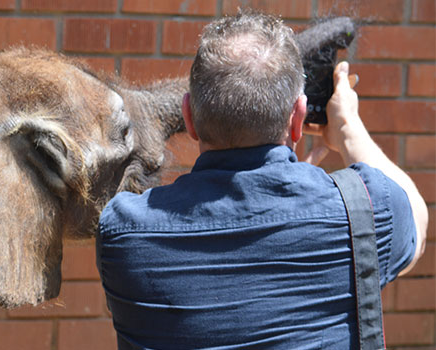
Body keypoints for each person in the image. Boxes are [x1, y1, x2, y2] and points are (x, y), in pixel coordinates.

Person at [96, 12, 428, 350]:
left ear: (189, 118)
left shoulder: (123, 233)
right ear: (297, 119)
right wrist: (348, 132)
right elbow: (417, 217)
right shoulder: (365, 213)